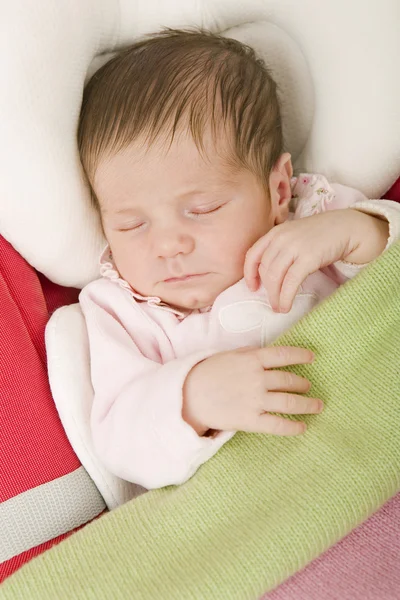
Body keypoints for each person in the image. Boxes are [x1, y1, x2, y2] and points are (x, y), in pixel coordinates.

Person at [77, 29, 400, 489]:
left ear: (278, 190)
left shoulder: (315, 219)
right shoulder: (124, 312)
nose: (168, 246)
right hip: (272, 492)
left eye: (202, 209)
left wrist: (360, 232)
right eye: (132, 225)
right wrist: (191, 399)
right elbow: (118, 439)